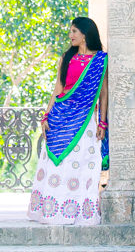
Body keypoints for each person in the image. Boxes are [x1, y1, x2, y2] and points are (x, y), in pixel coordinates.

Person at [27, 17, 108, 225]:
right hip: (60, 116)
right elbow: (58, 88)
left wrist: (102, 122)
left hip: (86, 120)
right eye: (70, 31)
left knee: (84, 163)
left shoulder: (100, 60)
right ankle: (53, 212)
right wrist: (46, 115)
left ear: (85, 34)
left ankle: (80, 212)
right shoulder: (67, 57)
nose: (70, 35)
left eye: (74, 31)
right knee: (58, 164)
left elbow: (104, 94)